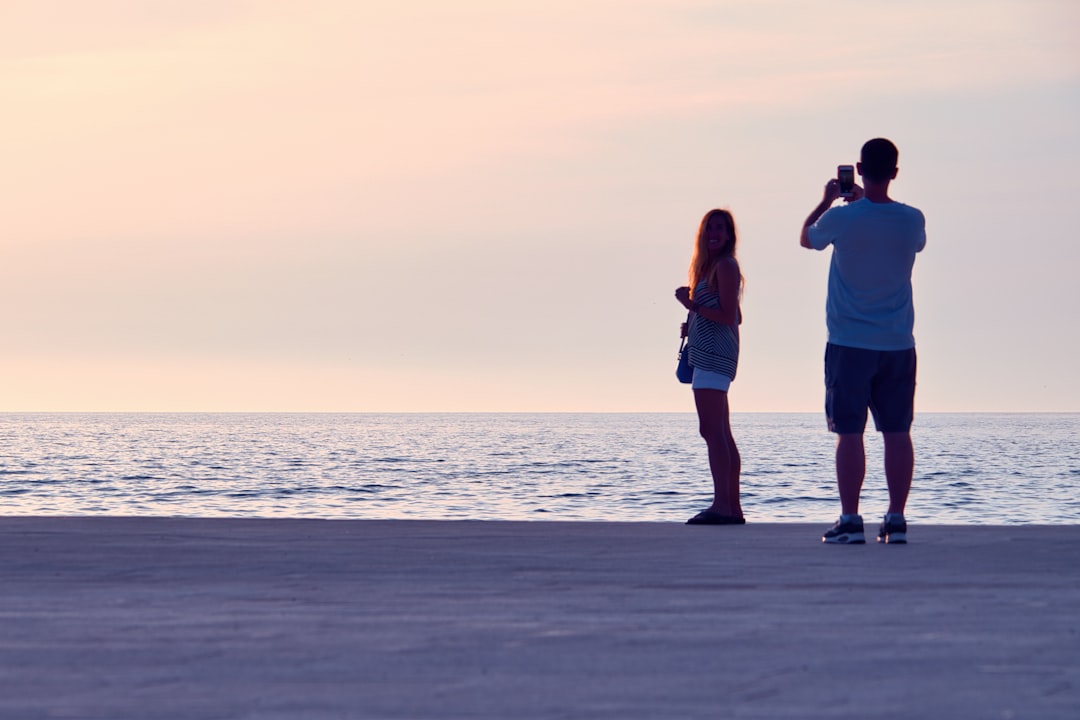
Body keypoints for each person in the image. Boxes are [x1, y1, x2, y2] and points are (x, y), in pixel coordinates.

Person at [801, 138, 926, 544]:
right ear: (895, 171)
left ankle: (851, 520)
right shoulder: (912, 220)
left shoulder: (844, 218)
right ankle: (896, 518)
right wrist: (859, 202)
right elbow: (906, 238)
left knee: (849, 432)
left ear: (858, 168)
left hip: (849, 342)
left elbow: (808, 238)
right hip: (897, 343)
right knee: (897, 431)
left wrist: (827, 202)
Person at [675, 209, 744, 525]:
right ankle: (732, 507)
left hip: (715, 356)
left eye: (721, 228)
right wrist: (695, 319)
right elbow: (734, 314)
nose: (714, 232)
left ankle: (722, 506)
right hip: (709, 353)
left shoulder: (726, 266)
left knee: (712, 431)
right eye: (709, 227)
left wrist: (693, 305)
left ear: (729, 235)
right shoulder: (710, 268)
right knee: (720, 432)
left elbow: (730, 317)